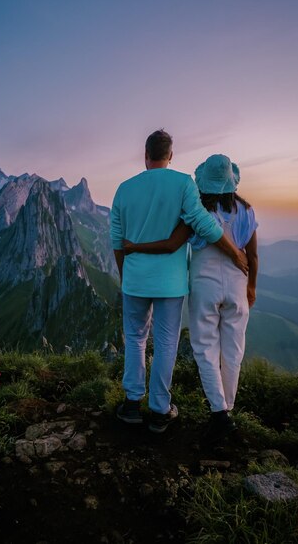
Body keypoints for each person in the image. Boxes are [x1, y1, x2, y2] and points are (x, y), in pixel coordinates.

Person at [110, 132, 249, 433]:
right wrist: (235, 254)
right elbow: (205, 225)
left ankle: (132, 404)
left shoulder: (123, 189)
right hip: (170, 284)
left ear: (145, 154)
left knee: (135, 338)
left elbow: (117, 241)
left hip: (135, 279)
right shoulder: (184, 183)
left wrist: (126, 276)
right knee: (166, 343)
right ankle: (160, 410)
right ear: (170, 156)